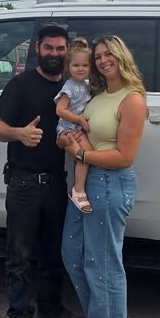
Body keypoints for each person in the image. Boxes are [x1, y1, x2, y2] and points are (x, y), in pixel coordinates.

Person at [0, 23, 86, 318]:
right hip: (24, 184)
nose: (56, 54)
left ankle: (51, 311)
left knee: (53, 253)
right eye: (49, 48)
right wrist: (19, 134)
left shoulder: (75, 88)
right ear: (37, 48)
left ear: (68, 50)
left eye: (61, 49)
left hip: (57, 183)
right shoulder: (21, 84)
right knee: (20, 259)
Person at [60, 34, 148, 318]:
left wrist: (81, 156)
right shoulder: (96, 98)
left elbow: (125, 155)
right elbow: (79, 134)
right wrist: (67, 141)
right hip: (87, 182)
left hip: (111, 182)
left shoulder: (132, 99)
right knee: (73, 254)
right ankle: (107, 317)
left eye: (108, 54)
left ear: (121, 56)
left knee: (103, 261)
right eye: (98, 56)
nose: (102, 60)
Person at [54, 37, 93, 213]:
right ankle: (79, 190)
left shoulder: (86, 85)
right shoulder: (69, 86)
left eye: (85, 66)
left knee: (87, 156)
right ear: (68, 67)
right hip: (68, 129)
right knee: (82, 157)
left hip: (78, 129)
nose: (81, 69)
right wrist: (79, 120)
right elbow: (60, 110)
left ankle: (79, 188)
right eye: (76, 65)